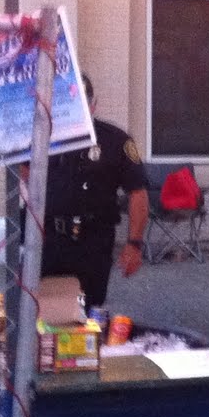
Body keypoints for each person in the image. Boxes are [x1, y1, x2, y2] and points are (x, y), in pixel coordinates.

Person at [40, 75, 149, 310]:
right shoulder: (45, 137)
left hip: (94, 241)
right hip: (52, 239)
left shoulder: (116, 141)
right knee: (49, 311)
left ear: (93, 104)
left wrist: (134, 244)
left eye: (82, 102)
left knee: (88, 311)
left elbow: (138, 193)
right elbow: (27, 178)